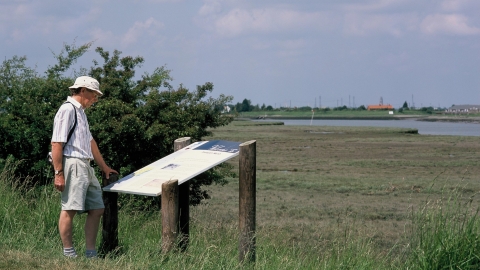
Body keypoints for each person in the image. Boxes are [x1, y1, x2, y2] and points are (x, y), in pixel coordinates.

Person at [51, 76, 118, 258]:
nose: (96, 98)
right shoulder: (67, 109)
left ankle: (90, 252)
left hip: (86, 165)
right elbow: (56, 143)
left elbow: (90, 142)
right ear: (83, 91)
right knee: (70, 208)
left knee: (97, 208)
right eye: (94, 94)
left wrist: (103, 167)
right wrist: (59, 173)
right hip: (73, 162)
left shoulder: (81, 112)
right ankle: (69, 253)